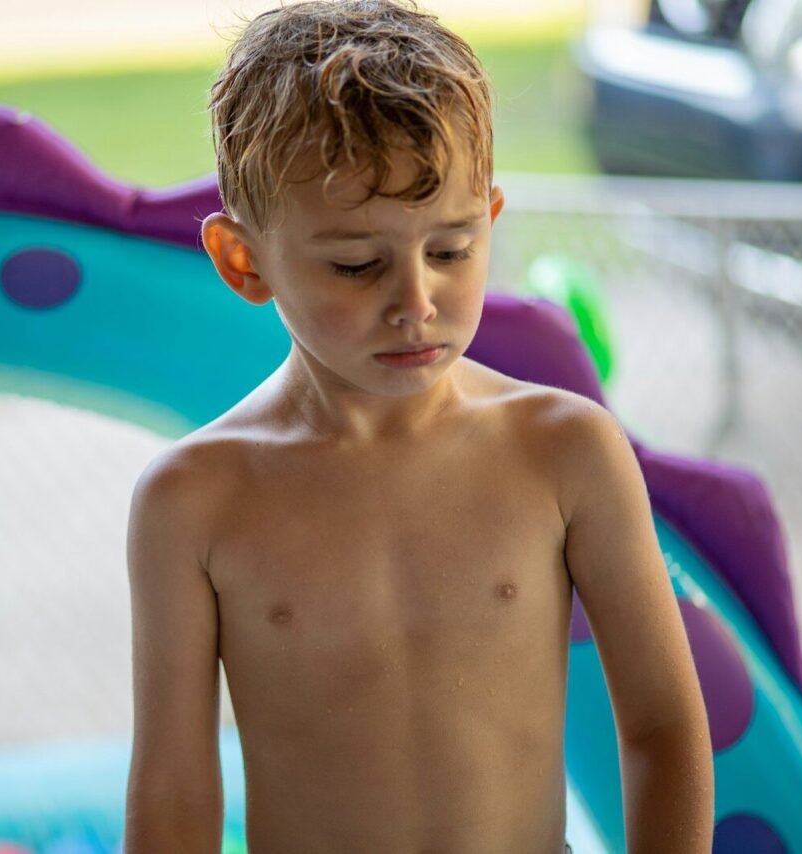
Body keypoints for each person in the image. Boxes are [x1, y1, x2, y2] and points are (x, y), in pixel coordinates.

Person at [123, 1, 715, 851]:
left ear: (491, 222)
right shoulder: (194, 502)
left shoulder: (565, 452)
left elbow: (662, 729)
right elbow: (174, 795)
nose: (415, 303)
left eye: (449, 250)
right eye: (357, 264)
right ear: (242, 261)